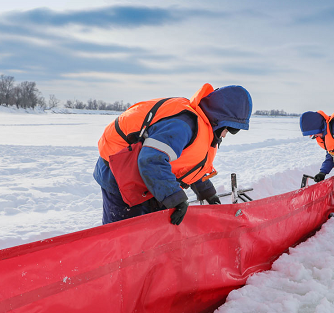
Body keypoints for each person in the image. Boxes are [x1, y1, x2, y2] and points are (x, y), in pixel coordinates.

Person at [94, 83, 252, 225]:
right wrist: (175, 198)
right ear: (220, 119)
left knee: (152, 229)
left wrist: (206, 192)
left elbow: (187, 163)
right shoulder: (183, 125)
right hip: (119, 172)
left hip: (147, 174)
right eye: (228, 129)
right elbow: (151, 160)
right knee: (124, 234)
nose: (225, 135)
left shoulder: (203, 125)